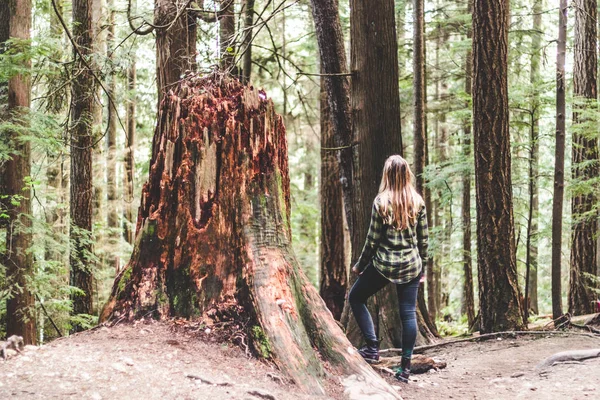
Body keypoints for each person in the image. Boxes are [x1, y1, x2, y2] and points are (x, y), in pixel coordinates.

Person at [349, 155, 428, 383]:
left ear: (387, 175)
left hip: (384, 264)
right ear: (406, 174)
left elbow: (372, 240)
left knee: (356, 297)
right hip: (412, 265)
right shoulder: (418, 201)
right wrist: (423, 267)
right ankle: (405, 369)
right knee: (408, 314)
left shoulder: (381, 201)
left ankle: (372, 348)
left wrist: (360, 266)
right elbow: (424, 240)